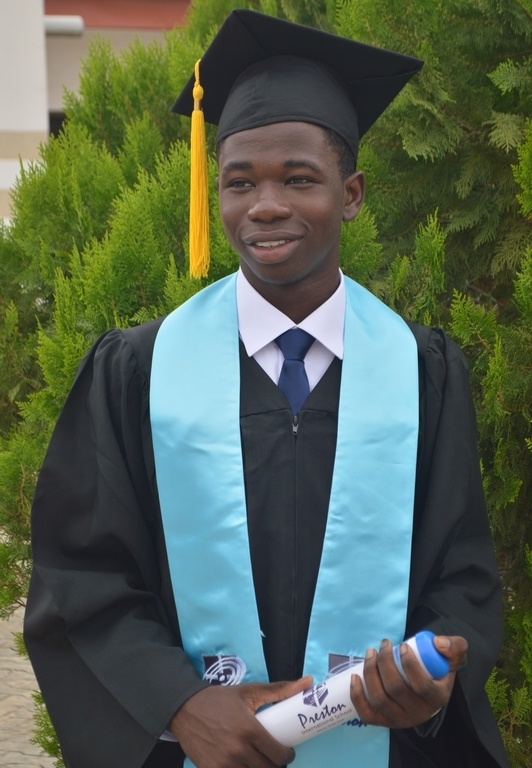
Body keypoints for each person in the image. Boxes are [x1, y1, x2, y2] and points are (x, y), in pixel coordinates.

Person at [24, 9, 509, 768]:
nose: (266, 205)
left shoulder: (421, 370)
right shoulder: (139, 371)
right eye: (239, 182)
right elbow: (82, 579)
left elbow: (462, 574)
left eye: (299, 179)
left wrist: (432, 679)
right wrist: (178, 704)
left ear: (351, 193)